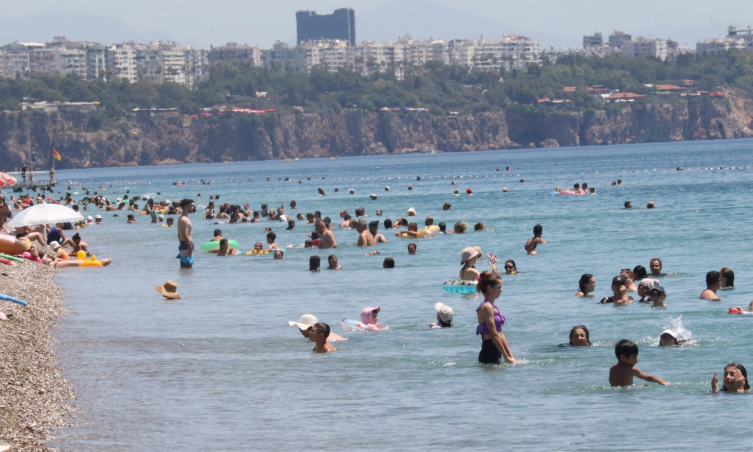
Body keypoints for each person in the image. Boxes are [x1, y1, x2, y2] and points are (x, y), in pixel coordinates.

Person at [476, 271, 517, 364]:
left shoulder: (494, 307)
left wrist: (511, 356)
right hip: (489, 351)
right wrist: (506, 357)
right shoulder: (486, 307)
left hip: (496, 350)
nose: (501, 290)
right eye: (499, 287)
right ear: (490, 288)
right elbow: (494, 334)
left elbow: (500, 333)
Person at [178, 199, 194, 268]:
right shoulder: (184, 220)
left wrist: (181, 244)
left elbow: (179, 235)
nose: (193, 208)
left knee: (185, 268)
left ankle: (184, 279)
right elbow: (185, 234)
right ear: (186, 207)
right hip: (187, 245)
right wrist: (190, 248)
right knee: (187, 267)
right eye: (192, 206)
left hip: (184, 244)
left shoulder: (181, 218)